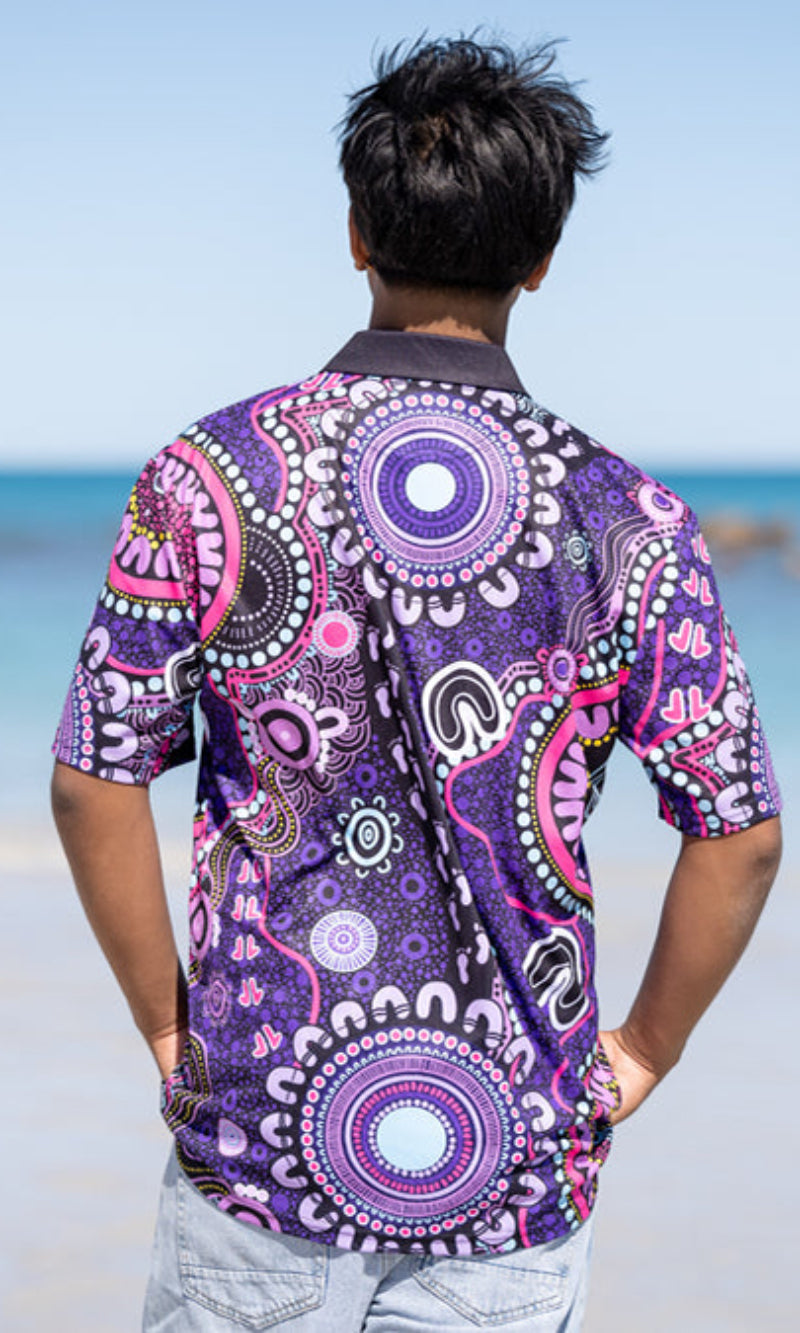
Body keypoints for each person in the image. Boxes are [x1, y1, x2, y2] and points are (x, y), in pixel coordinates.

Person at [51, 36, 782, 1332]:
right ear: (543, 257)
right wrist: (642, 1051)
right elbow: (740, 833)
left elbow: (92, 781)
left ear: (355, 234)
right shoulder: (628, 518)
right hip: (513, 1153)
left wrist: (171, 1036)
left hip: (259, 1132)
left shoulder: (213, 477)